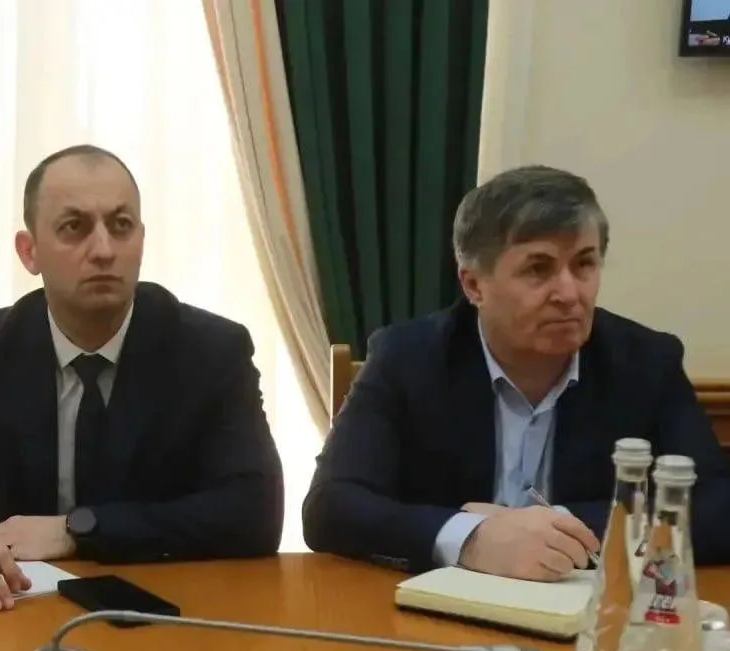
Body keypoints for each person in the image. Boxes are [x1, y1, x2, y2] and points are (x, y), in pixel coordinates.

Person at [0, 144, 283, 612]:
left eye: (121, 226)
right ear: (29, 252)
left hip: (172, 605)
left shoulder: (211, 351)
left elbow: (255, 511)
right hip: (17, 610)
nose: (104, 250)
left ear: (141, 240)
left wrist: (74, 531)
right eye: (74, 228)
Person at [302, 164, 730, 580]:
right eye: (538, 269)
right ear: (474, 285)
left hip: (586, 607)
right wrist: (473, 538)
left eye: (584, 264)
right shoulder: (407, 358)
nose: (569, 293)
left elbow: (718, 507)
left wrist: (553, 528)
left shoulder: (646, 362)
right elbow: (331, 506)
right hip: (441, 606)